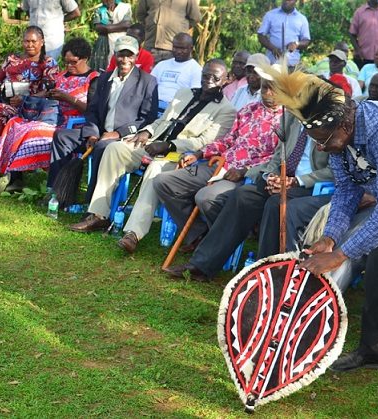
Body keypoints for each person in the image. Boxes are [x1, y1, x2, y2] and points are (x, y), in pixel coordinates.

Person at [257, 67, 378, 415]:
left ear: (345, 125)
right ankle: (373, 350)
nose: (320, 146)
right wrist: (331, 237)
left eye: (323, 139)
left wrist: (341, 254)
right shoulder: (333, 128)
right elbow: (348, 189)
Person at [68, 60, 235, 242]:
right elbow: (162, 121)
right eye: (205, 75)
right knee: (114, 149)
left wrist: (169, 145)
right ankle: (98, 214)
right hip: (155, 142)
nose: (208, 80)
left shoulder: (227, 110)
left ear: (225, 80)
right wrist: (147, 132)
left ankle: (134, 233)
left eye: (215, 78)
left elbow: (203, 142)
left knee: (156, 168)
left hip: (179, 154)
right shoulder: (185, 93)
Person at [161, 112, 333, 281]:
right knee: (243, 195)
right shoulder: (292, 117)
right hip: (281, 180)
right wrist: (270, 176)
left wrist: (297, 181)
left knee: (276, 203)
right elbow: (278, 156)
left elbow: (333, 171)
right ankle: (201, 265)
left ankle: (264, 273)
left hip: (309, 186)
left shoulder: (330, 125)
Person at [151, 78, 284, 255]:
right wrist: (199, 154)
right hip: (220, 164)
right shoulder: (248, 110)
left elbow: (277, 159)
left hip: (244, 174)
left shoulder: (286, 120)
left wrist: (244, 171)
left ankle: (220, 244)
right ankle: (199, 233)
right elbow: (228, 141)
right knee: (164, 181)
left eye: (274, 89)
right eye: (265, 87)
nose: (268, 93)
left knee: (206, 197)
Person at [47, 36, 159, 200]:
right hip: (99, 132)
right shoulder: (104, 78)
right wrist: (92, 133)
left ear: (136, 56)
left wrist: (118, 133)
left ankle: (92, 202)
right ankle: (57, 193)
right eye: (121, 55)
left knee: (102, 147)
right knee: (62, 136)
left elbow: (147, 118)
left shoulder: (147, 81)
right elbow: (92, 110)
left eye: (130, 55)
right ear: (114, 55)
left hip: (124, 138)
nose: (125, 60)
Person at [0, 39, 98, 189]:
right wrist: (27, 99)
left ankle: (19, 173)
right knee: (15, 123)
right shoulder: (62, 75)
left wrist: (68, 98)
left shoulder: (94, 79)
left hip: (74, 124)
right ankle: (13, 175)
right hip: (52, 118)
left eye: (74, 62)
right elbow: (47, 94)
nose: (69, 66)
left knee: (30, 131)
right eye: (66, 62)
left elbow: (93, 110)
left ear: (85, 59)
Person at [0, 26, 59, 192]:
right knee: (2, 111)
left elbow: (49, 90)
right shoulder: (12, 59)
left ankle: (14, 176)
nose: (29, 45)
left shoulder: (47, 63)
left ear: (41, 42)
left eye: (33, 41)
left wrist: (25, 99)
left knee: (4, 117)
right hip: (7, 102)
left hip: (31, 109)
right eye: (26, 41)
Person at [136, 0, 201, 64]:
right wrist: (150, 25)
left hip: (175, 48)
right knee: (148, 73)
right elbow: (140, 15)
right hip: (151, 46)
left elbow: (195, 18)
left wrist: (179, 27)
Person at [150, 33, 202, 104]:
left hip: (176, 109)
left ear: (191, 48)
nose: (178, 51)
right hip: (153, 104)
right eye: (175, 47)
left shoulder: (196, 69)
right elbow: (149, 86)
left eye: (182, 48)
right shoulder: (162, 65)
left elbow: (194, 95)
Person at [257, 0, 310, 68]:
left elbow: (306, 41)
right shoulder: (270, 15)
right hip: (272, 64)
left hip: (292, 66)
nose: (286, 1)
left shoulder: (302, 19)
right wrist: (273, 48)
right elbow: (261, 35)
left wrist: (296, 44)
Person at [89, 0, 132, 72]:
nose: (105, 1)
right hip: (103, 46)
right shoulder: (99, 10)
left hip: (121, 43)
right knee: (103, 70)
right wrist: (120, 26)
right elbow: (99, 28)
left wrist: (107, 28)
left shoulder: (125, 7)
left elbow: (126, 25)